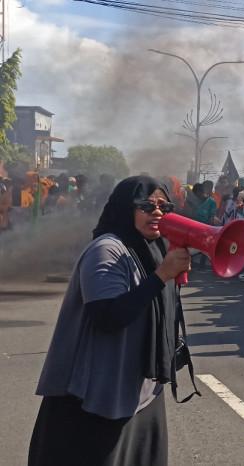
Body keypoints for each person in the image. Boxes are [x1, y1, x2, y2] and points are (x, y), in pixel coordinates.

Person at [28, 176, 194, 466]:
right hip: (97, 394)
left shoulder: (154, 248)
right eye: (147, 206)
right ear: (125, 208)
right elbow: (107, 316)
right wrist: (161, 276)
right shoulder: (106, 250)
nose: (157, 212)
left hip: (139, 391)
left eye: (164, 206)